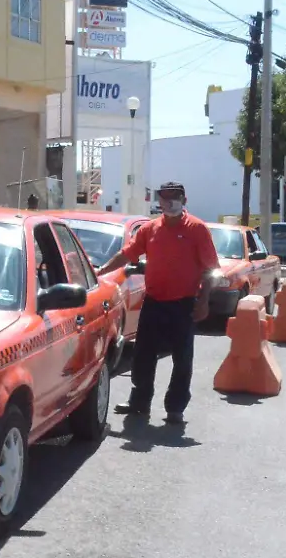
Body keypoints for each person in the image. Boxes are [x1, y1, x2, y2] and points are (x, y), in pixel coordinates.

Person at [95, 181, 219, 425]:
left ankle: (175, 408)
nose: (169, 201)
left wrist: (204, 300)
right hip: (154, 302)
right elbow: (127, 254)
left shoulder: (197, 229)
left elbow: (211, 269)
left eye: (175, 197)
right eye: (165, 197)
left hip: (184, 304)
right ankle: (139, 402)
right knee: (143, 355)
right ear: (159, 201)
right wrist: (100, 271)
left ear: (184, 200)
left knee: (182, 359)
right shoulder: (150, 229)